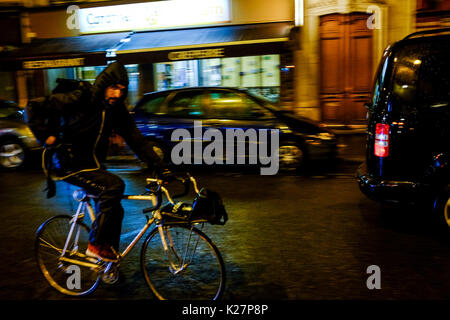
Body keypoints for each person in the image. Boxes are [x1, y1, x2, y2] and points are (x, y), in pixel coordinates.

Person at [39, 62, 166, 262]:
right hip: (68, 163)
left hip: (93, 165)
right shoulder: (83, 98)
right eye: (113, 88)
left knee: (115, 207)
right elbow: (34, 108)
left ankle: (108, 262)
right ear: (104, 84)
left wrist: (159, 165)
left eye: (121, 90)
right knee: (113, 186)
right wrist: (45, 137)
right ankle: (96, 246)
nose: (117, 94)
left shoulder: (116, 109)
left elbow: (135, 138)